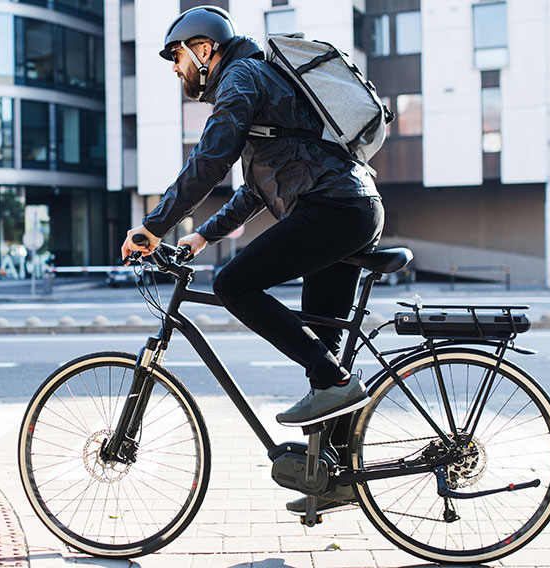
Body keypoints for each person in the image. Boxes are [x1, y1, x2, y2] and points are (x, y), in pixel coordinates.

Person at [120, 6, 385, 514]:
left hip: (334, 209)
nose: (176, 69)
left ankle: (336, 384)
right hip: (348, 208)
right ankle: (336, 479)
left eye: (177, 56)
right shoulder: (259, 80)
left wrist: (153, 226)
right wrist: (198, 237)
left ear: (203, 49)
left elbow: (211, 157)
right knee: (323, 350)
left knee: (233, 285)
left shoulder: (241, 77)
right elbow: (256, 189)